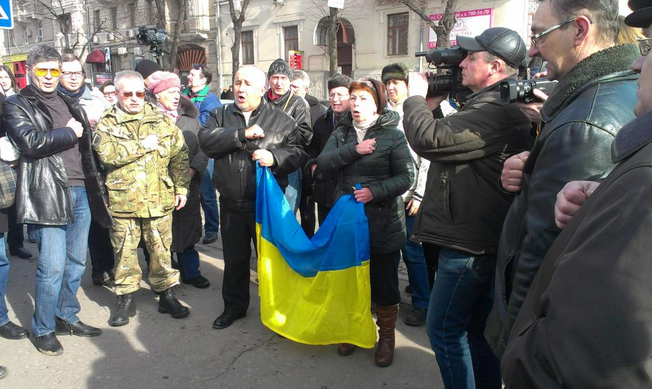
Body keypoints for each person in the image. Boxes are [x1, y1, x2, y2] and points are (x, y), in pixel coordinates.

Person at [501, 3, 652, 386]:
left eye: (538, 35)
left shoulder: (587, 122)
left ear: (580, 30)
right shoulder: (586, 103)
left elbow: (543, 259)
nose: (532, 50)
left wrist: (512, 346)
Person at [402, 27, 534, 388]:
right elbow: (455, 141)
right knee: (475, 332)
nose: (461, 62)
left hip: (469, 245)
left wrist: (414, 100)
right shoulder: (489, 105)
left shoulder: (497, 110)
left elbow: (430, 139)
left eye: (470, 57)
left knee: (443, 329)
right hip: (474, 237)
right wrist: (431, 106)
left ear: (494, 66)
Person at [3, 44, 112, 355]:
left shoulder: (67, 100)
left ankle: (67, 314)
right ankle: (43, 328)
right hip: (47, 193)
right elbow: (30, 143)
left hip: (80, 190)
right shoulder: (17, 103)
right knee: (51, 266)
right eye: (44, 71)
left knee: (76, 261)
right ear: (32, 71)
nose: (50, 77)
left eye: (56, 71)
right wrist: (69, 132)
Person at [198, 65, 304, 330]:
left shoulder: (281, 120)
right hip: (232, 203)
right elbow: (206, 142)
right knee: (234, 259)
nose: (241, 88)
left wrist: (275, 157)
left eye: (247, 83)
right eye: (237, 82)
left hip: (265, 206)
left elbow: (299, 152)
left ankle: (279, 310)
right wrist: (240, 135)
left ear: (261, 89)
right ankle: (234, 307)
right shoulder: (220, 114)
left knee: (271, 261)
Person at [316, 77, 413, 367]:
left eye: (364, 99)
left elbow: (406, 177)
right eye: (354, 98)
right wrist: (354, 150)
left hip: (382, 222)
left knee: (383, 283)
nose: (356, 104)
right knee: (350, 280)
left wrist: (375, 192)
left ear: (377, 105)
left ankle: (386, 337)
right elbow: (323, 163)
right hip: (347, 221)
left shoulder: (393, 135)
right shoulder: (343, 132)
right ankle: (354, 330)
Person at [93, 70, 191, 327]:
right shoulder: (107, 122)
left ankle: (166, 295)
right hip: (124, 202)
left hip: (159, 198)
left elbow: (179, 155)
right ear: (117, 94)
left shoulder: (159, 120)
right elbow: (107, 154)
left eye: (140, 93)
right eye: (129, 94)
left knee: (161, 251)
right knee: (124, 253)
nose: (135, 99)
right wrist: (142, 146)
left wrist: (181, 188)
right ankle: (125, 299)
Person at [148, 71, 210, 289]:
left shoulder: (189, 121)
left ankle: (191, 272)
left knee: (187, 230)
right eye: (169, 92)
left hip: (187, 187)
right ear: (157, 95)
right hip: (156, 189)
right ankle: (164, 279)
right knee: (158, 237)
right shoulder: (147, 120)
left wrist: (193, 170)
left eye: (177, 91)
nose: (176, 96)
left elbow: (204, 149)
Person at [57, 54, 115, 288]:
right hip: (65, 172)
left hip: (95, 169)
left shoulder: (96, 100)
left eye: (77, 73)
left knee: (100, 224)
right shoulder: (54, 101)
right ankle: (64, 278)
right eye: (67, 73)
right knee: (69, 230)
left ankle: (103, 268)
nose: (73, 78)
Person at [381, 63, 430, 327]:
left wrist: (420, 195)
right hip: (385, 196)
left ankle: (423, 302)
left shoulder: (415, 114)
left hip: (409, 197)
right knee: (386, 252)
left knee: (412, 252)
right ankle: (386, 300)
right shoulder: (382, 115)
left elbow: (426, 158)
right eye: (387, 84)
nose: (391, 88)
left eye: (396, 83)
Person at [264, 59, 312, 214]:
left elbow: (305, 137)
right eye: (275, 78)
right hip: (263, 165)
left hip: (288, 164)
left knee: (286, 214)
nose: (279, 83)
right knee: (265, 213)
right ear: (269, 79)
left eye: (283, 78)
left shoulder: (299, 104)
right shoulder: (260, 101)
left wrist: (275, 137)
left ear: (289, 81)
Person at [305, 73, 351, 226]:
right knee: (325, 233)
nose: (335, 99)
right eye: (332, 95)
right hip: (324, 190)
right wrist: (312, 166)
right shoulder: (322, 122)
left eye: (340, 95)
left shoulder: (355, 123)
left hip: (347, 192)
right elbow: (312, 149)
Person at [184, 64, 221, 245]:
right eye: (189, 74)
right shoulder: (185, 95)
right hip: (185, 151)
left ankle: (212, 229)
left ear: (204, 80)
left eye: (193, 75)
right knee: (189, 194)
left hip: (204, 152)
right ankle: (194, 227)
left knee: (206, 193)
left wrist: (184, 119)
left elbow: (205, 126)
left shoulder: (210, 100)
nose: (189, 77)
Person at [0, 64, 32, 261]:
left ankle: (17, 243)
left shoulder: (18, 97)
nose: (2, 79)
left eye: (5, 76)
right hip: (3, 157)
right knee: (5, 201)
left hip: (18, 153)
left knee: (17, 202)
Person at [290, 70, 327, 237]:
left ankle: (308, 240)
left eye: (296, 87)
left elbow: (318, 140)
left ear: (306, 88)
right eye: (290, 86)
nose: (292, 90)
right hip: (289, 164)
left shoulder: (318, 110)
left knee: (307, 209)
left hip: (307, 166)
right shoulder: (285, 104)